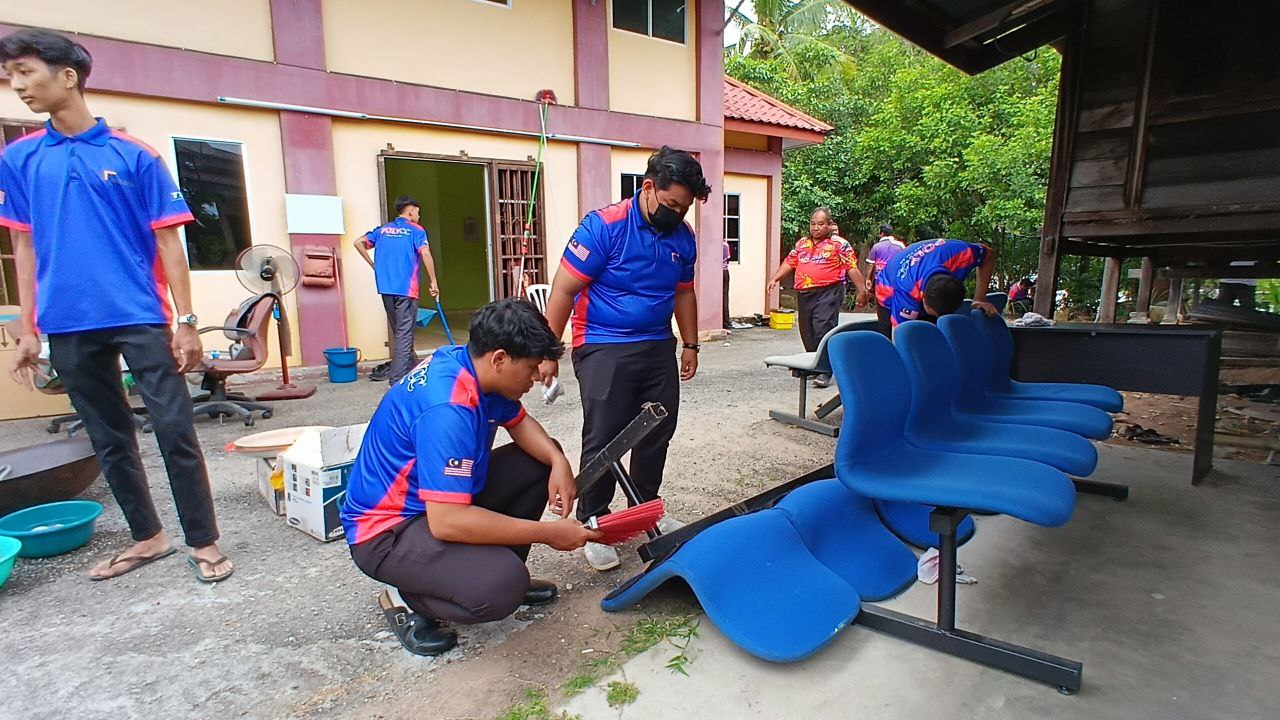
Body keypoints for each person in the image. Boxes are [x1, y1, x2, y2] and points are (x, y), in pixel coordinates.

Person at [1, 29, 232, 582]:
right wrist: (25, 324)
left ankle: (203, 541)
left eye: (26, 72)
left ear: (68, 76)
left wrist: (188, 322)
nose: (17, 85)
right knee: (108, 437)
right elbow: (23, 244)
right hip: (67, 322)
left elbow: (168, 242)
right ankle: (147, 538)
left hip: (140, 315)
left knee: (176, 431)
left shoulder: (135, 156)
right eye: (10, 77)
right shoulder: (20, 157)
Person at [341, 299, 599, 656]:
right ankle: (407, 596)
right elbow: (448, 522)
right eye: (531, 366)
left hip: (435, 505)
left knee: (536, 462)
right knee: (501, 590)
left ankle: (475, 570)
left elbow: (520, 422)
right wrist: (549, 534)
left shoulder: (470, 365)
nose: (538, 376)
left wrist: (558, 461)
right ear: (500, 359)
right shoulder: (448, 409)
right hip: (387, 532)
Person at [539, 146, 710, 572]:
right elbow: (563, 290)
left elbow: (683, 292)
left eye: (685, 207)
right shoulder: (604, 226)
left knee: (658, 429)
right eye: (672, 204)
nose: (678, 213)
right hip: (602, 343)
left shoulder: (682, 237)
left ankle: (646, 507)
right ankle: (594, 520)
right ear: (648, 187)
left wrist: (689, 344)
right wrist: (546, 351)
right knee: (606, 433)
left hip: (657, 344)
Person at [766, 207, 868, 387]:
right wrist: (775, 278)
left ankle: (825, 371)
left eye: (820, 224)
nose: (815, 228)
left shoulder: (839, 244)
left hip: (829, 291)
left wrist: (861, 290)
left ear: (830, 225)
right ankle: (814, 364)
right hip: (805, 293)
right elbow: (790, 262)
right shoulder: (802, 244)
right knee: (807, 331)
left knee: (823, 328)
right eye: (813, 224)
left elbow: (851, 267)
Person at [353, 195, 439, 385]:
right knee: (404, 334)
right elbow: (425, 252)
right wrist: (433, 281)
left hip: (386, 288)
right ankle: (397, 381)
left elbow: (358, 242)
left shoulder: (382, 230)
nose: (418, 215)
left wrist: (373, 264)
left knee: (400, 332)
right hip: (406, 290)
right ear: (410, 210)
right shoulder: (416, 230)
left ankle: (416, 370)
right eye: (417, 211)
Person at [874, 238, 998, 333]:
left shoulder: (961, 254)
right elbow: (901, 335)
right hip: (888, 288)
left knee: (935, 333)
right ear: (922, 298)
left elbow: (989, 255)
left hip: (931, 263)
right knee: (896, 343)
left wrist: (980, 298)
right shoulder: (907, 290)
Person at [864, 224, 907, 336]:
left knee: (883, 314)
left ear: (881, 233)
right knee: (899, 310)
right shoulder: (900, 245)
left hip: (882, 284)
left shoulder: (877, 246)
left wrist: (868, 279)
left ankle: (886, 340)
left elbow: (870, 265)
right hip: (898, 283)